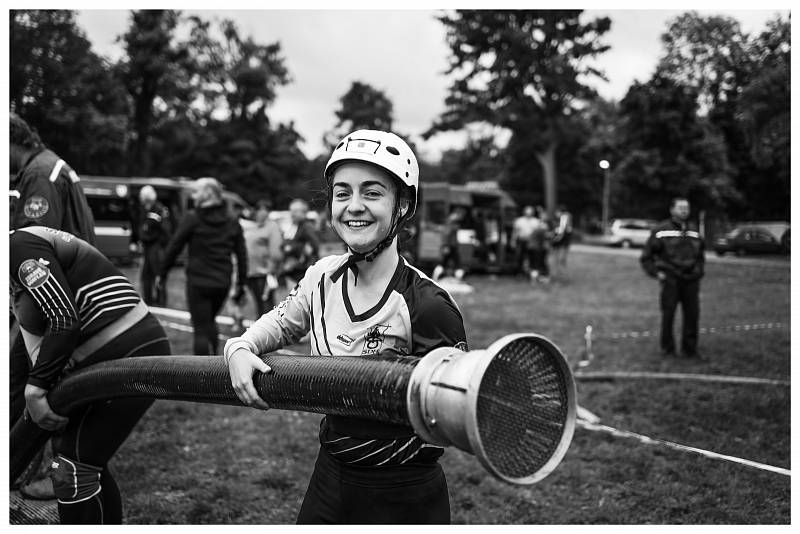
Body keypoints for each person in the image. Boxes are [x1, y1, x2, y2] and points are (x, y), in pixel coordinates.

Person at [225, 129, 468, 524]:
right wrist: (239, 347)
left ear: (403, 205)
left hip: (402, 490)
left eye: (372, 193)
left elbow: (453, 414)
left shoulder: (428, 305)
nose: (354, 206)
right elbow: (283, 321)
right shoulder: (321, 276)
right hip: (331, 472)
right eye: (342, 193)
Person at [10, 226, 171, 524]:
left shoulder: (18, 247)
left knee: (72, 466)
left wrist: (35, 390)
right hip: (107, 358)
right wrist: (42, 387)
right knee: (81, 460)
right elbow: (37, 347)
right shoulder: (15, 270)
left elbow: (63, 318)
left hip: (131, 351)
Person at [10, 112, 98, 499]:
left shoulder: (40, 174)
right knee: (44, 383)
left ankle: (30, 473)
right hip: (68, 294)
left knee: (32, 384)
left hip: (56, 300)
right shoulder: (50, 165)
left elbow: (34, 243)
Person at [157, 177, 247, 355]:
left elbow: (174, 246)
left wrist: (162, 273)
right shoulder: (231, 220)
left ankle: (203, 376)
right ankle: (214, 365)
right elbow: (242, 255)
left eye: (196, 191)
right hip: (222, 282)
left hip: (198, 281)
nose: (193, 195)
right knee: (210, 322)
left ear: (207, 194)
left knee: (200, 328)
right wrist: (241, 285)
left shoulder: (193, 218)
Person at [640, 197, 705, 359]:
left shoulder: (694, 230)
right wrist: (657, 273)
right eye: (680, 207)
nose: (684, 211)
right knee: (668, 314)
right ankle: (668, 349)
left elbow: (700, 256)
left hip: (691, 280)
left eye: (687, 208)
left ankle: (690, 349)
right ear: (672, 210)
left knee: (692, 314)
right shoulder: (661, 230)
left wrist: (698, 271)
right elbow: (646, 257)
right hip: (670, 280)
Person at [243, 199, 284, 317]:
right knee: (259, 304)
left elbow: (276, 251)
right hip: (252, 272)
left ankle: (269, 333)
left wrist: (271, 270)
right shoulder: (254, 227)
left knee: (266, 306)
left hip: (265, 272)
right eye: (259, 209)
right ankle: (260, 332)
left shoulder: (272, 227)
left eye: (265, 209)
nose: (262, 212)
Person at [135, 185, 171, 306]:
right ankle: (148, 300)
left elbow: (166, 230)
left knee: (158, 273)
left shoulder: (160, 209)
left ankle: (161, 301)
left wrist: (161, 245)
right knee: (145, 275)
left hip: (156, 246)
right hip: (146, 246)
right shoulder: (144, 209)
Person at [281, 198, 319, 286]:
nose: (292, 214)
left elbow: (314, 247)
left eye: (296, 211)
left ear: (304, 212)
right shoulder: (294, 226)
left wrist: (291, 248)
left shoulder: (307, 226)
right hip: (294, 273)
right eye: (291, 211)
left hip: (303, 273)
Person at [432, 207, 465, 281]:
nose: (462, 217)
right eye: (462, 215)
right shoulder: (452, 221)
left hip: (449, 246)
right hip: (450, 246)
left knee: (444, 263)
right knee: (457, 264)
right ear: (458, 214)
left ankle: (435, 278)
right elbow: (447, 234)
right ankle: (458, 280)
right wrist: (446, 246)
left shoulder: (450, 220)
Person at [511, 205, 539, 277]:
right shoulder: (519, 220)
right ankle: (519, 272)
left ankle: (531, 272)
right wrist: (513, 241)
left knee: (532, 257)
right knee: (520, 256)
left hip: (532, 242)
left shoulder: (536, 221)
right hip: (521, 241)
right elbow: (515, 232)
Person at [551, 205, 573, 270]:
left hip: (564, 234)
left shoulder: (564, 216)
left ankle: (560, 262)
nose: (556, 213)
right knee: (564, 248)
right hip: (566, 234)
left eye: (557, 212)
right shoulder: (568, 215)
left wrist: (559, 236)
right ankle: (561, 262)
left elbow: (562, 227)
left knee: (560, 249)